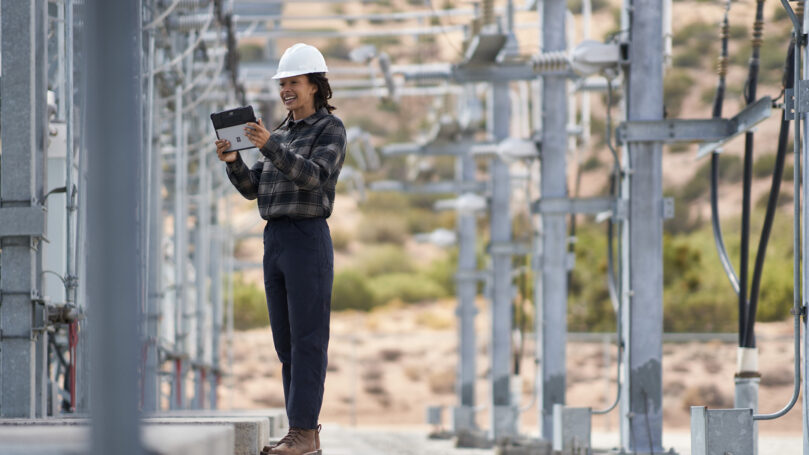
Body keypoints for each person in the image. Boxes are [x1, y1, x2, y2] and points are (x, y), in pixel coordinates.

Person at [216, 43, 345, 455]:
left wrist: (269, 145)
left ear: (315, 85)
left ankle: (304, 431)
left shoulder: (329, 130)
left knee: (308, 340)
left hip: (307, 238)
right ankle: (301, 433)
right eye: (282, 83)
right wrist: (234, 161)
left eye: (294, 82)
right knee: (286, 344)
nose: (286, 90)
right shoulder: (282, 133)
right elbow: (253, 189)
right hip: (274, 240)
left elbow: (314, 176)